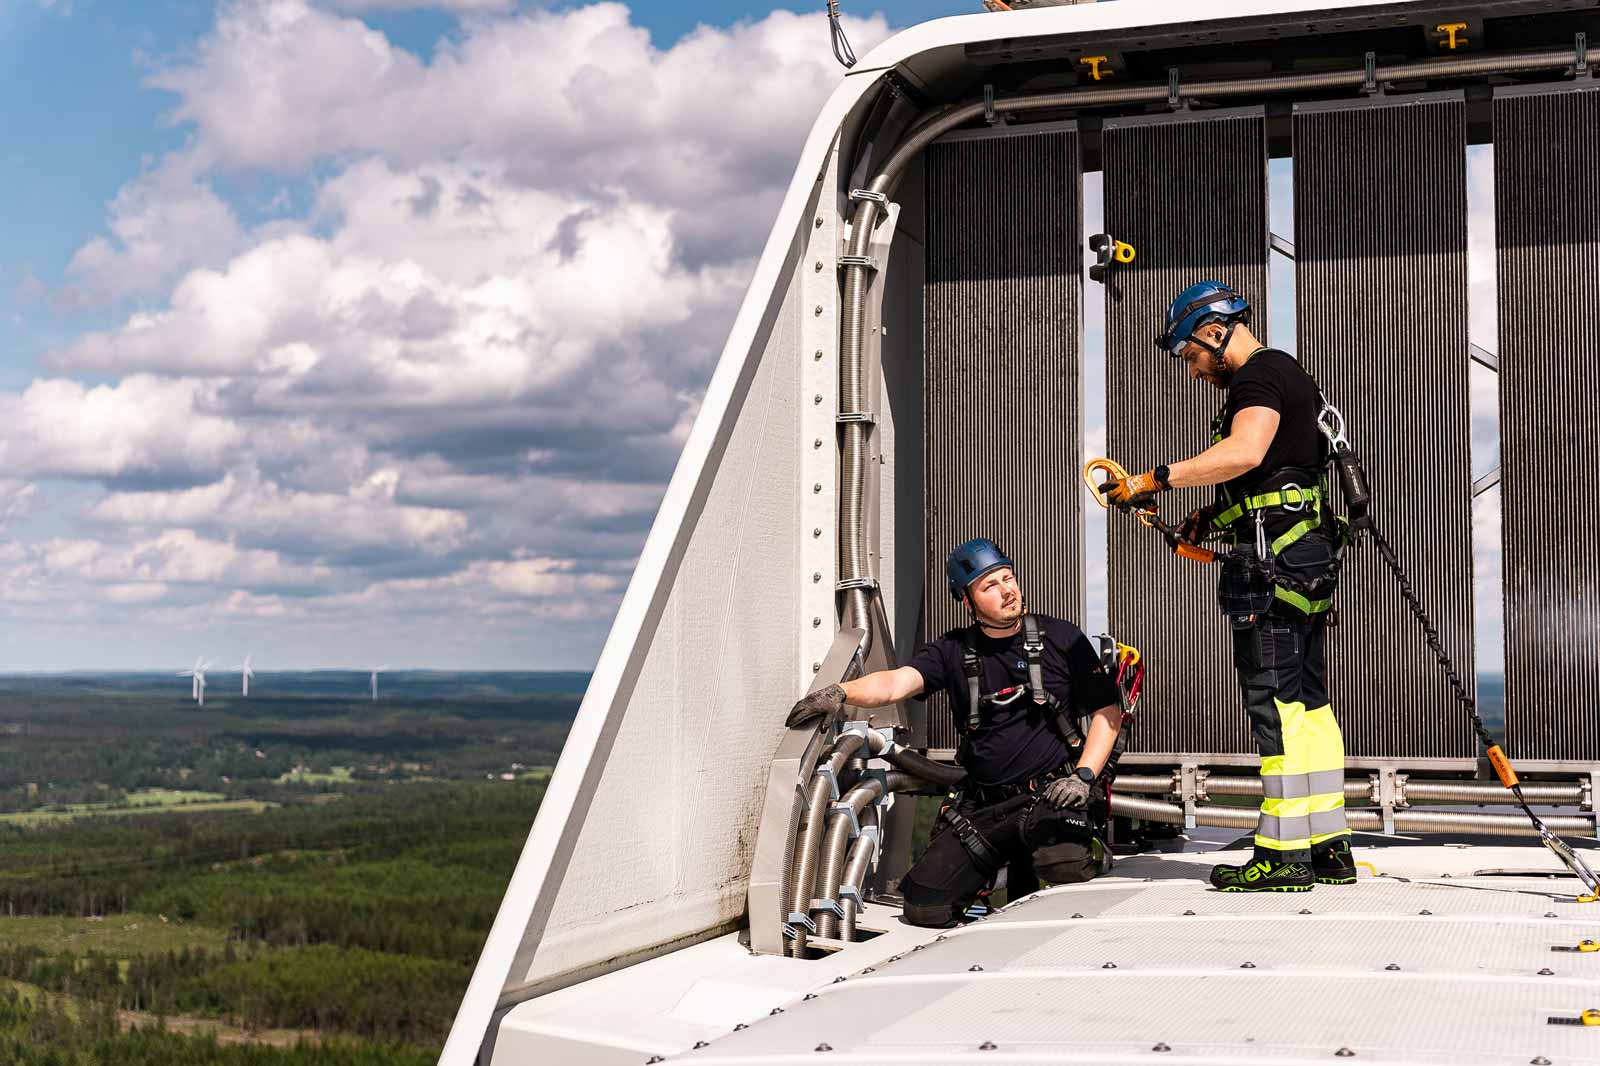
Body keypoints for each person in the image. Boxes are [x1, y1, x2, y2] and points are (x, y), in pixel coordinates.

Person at [1095, 280, 1355, 893]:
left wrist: (1152, 481)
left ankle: (1282, 857)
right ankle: (1328, 844)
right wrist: (1210, 518)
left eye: (1190, 354)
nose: (1192, 370)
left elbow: (1244, 452)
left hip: (1275, 564)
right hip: (1303, 556)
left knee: (1275, 701)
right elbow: (1275, 472)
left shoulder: (1258, 378)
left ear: (1213, 334)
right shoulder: (1286, 374)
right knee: (1309, 701)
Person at [786, 538, 1125, 926]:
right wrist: (841, 692)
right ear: (967, 601)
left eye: (1008, 578)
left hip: (1052, 795)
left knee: (1063, 863)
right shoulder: (952, 651)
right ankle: (989, 884)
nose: (1007, 590)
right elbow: (896, 684)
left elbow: (1107, 712)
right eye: (990, 585)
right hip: (985, 807)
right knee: (925, 906)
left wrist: (1083, 777)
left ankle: (1093, 851)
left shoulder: (1062, 639)